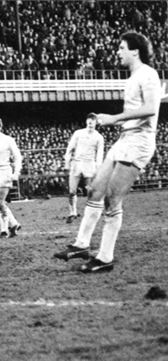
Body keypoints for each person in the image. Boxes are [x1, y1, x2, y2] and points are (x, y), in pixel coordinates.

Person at [53, 32, 162, 273]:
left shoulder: (148, 74)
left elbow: (151, 109)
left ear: (135, 51)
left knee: (113, 199)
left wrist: (114, 118)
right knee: (95, 189)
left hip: (139, 142)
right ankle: (81, 244)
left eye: (122, 48)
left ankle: (104, 258)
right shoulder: (134, 76)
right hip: (125, 139)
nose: (118, 52)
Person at [63, 115, 105, 223]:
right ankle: (73, 212)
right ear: (86, 121)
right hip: (77, 164)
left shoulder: (99, 137)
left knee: (89, 191)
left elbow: (99, 154)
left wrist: (98, 167)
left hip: (89, 165)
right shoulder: (78, 133)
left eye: (93, 121)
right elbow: (70, 148)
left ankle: (93, 212)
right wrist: (67, 162)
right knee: (72, 191)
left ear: (96, 123)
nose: (90, 123)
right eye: (89, 121)